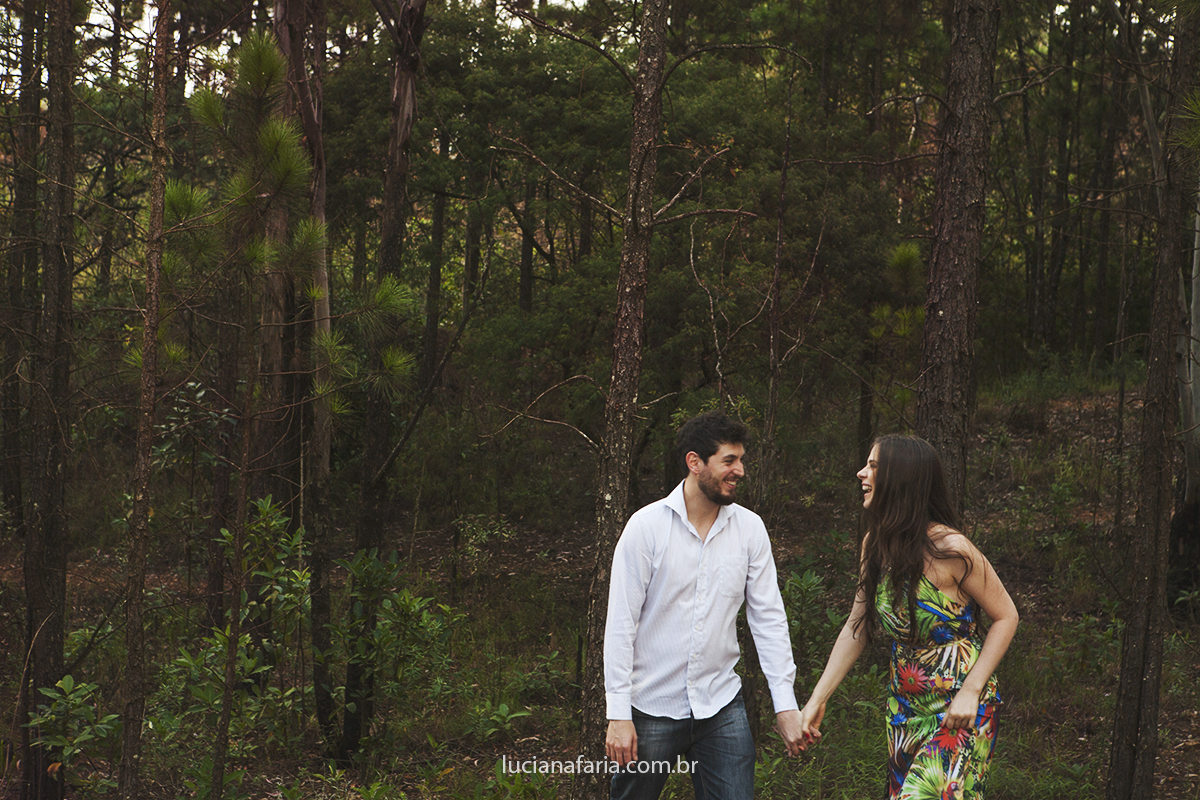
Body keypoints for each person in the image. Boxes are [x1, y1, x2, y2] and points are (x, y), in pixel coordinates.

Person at [799, 435, 1019, 799]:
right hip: (904, 705)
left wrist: (971, 691)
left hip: (959, 705)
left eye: (873, 466)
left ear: (900, 478)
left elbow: (1006, 616)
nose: (861, 473)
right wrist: (817, 699)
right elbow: (857, 627)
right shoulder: (875, 545)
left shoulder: (952, 549)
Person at [604, 410, 806, 800]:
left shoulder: (750, 529)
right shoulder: (646, 528)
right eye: (729, 460)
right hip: (651, 707)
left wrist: (785, 704)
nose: (740, 470)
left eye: (741, 459)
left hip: (720, 706)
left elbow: (768, 619)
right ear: (695, 462)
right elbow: (620, 625)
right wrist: (618, 714)